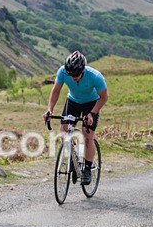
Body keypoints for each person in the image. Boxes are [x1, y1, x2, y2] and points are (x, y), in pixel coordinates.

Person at [44, 50, 108, 185]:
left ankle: (87, 169)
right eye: (70, 74)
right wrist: (49, 110)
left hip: (91, 104)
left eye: (76, 74)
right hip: (72, 101)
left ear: (83, 70)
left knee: (88, 136)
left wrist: (92, 113)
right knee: (64, 131)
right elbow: (55, 91)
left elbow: (103, 98)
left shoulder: (95, 76)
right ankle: (74, 158)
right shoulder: (62, 72)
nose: (73, 77)